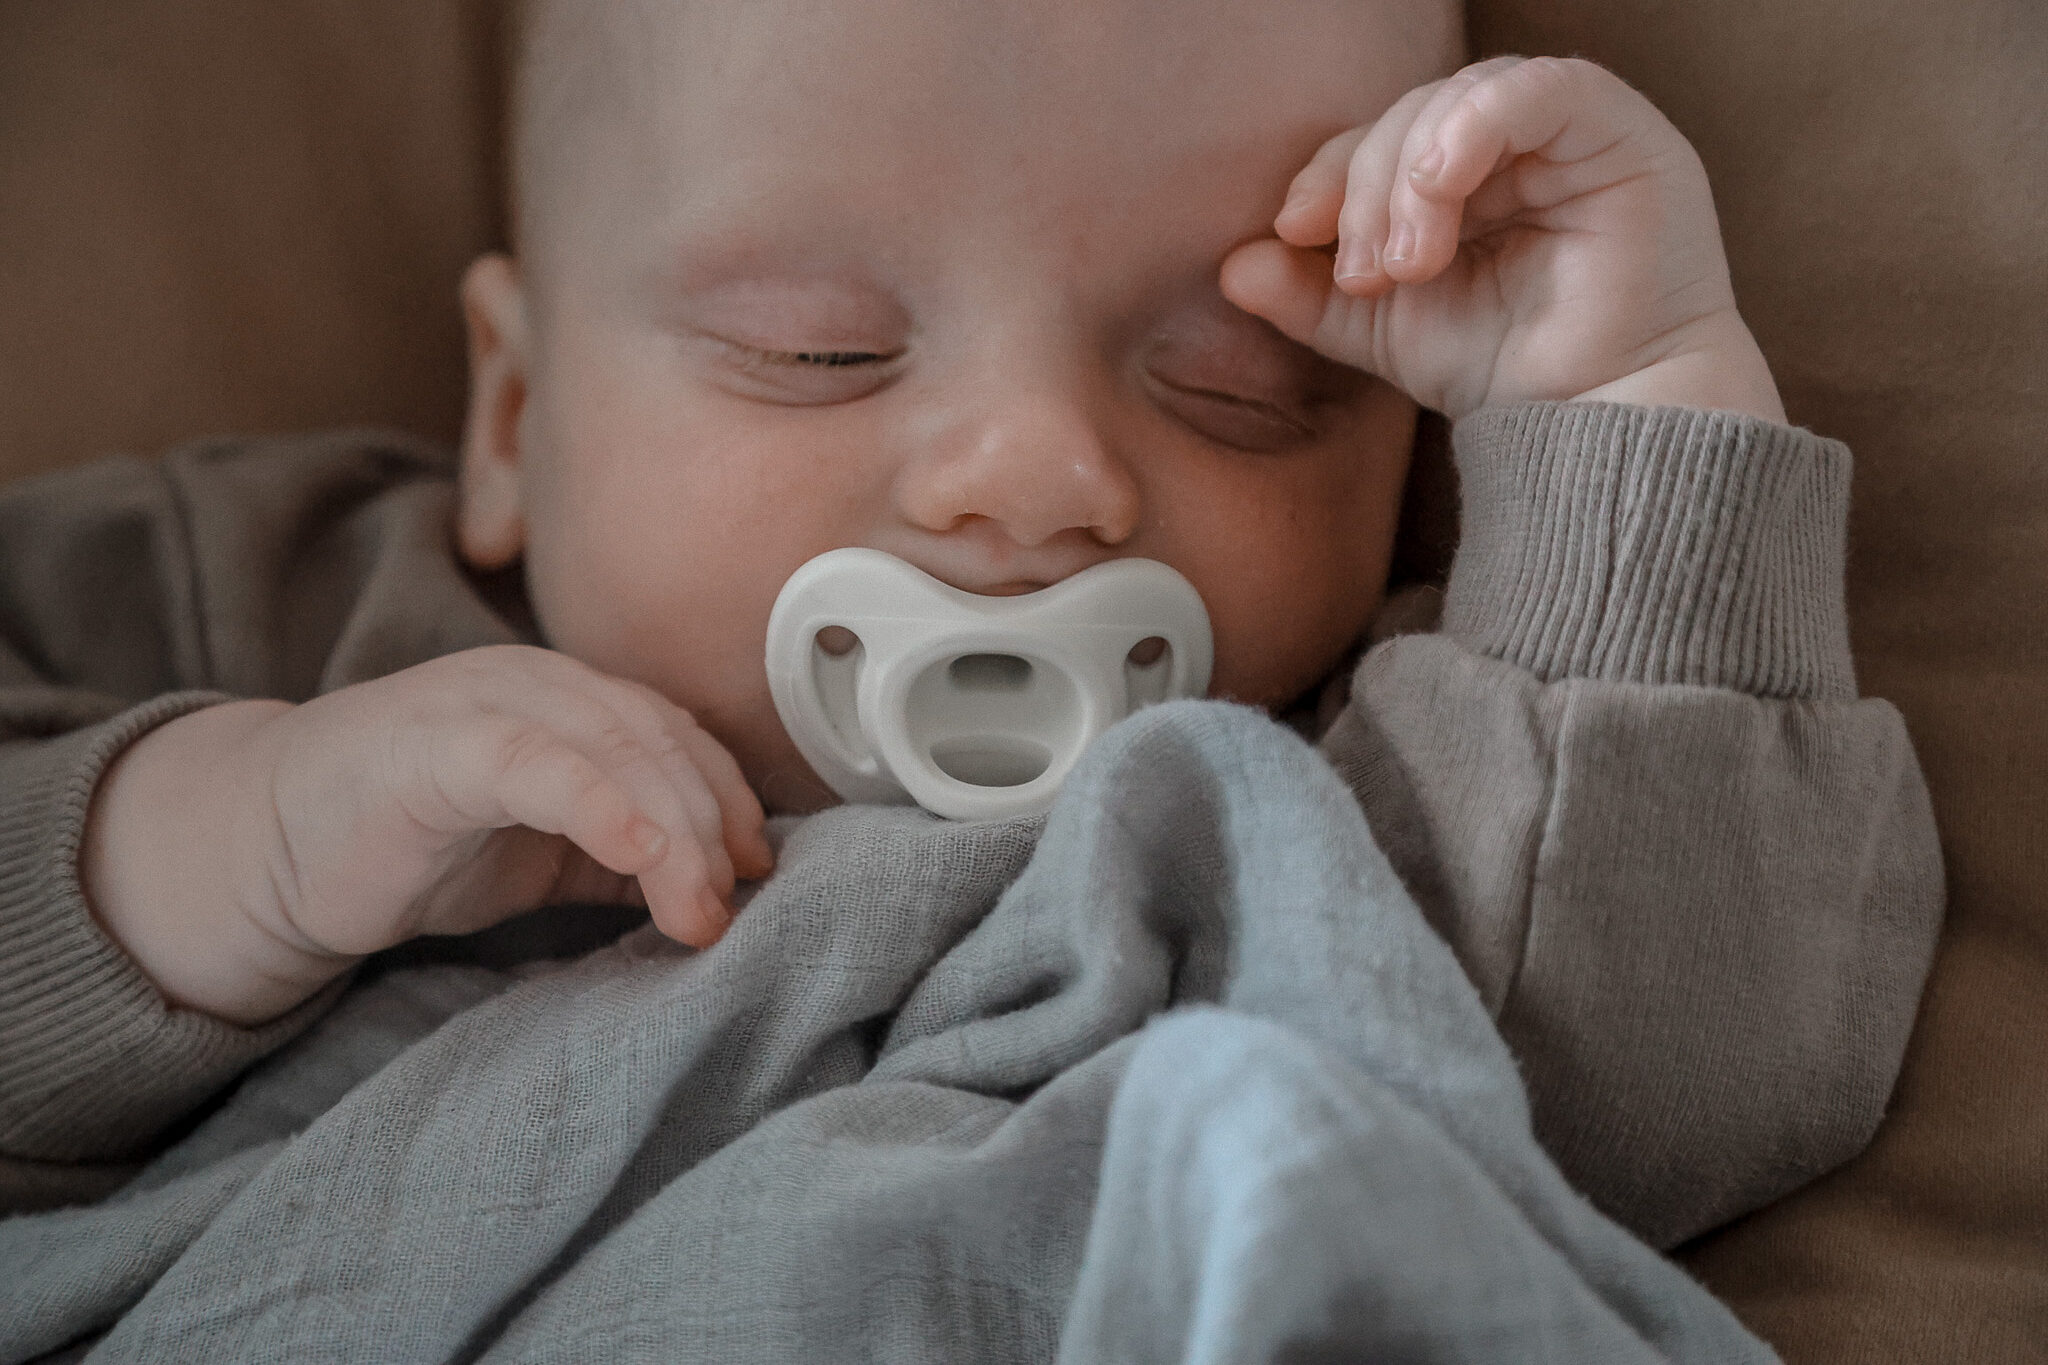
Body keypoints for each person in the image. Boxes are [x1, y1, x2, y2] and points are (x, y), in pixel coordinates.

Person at [0, 0, 1938, 1253]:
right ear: (515, 411)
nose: (1033, 477)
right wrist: (212, 845)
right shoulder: (261, 607)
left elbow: (1654, 1087)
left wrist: (1626, 408)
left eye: (1236, 384)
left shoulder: (1385, 763)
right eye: (817, 351)